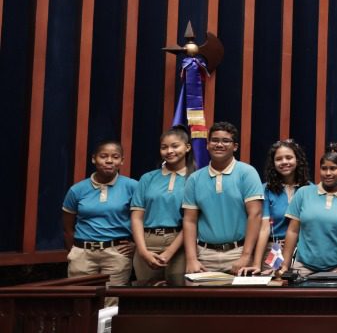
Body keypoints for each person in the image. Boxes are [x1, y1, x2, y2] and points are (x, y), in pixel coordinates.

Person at [181, 122, 264, 275]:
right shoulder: (194, 179)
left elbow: (255, 215)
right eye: (214, 140)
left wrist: (246, 256)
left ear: (235, 147)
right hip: (204, 256)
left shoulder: (247, 173)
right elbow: (189, 220)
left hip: (238, 253)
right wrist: (191, 259)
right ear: (207, 145)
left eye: (226, 141)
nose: (219, 144)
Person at [62, 140, 137, 286]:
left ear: (122, 161)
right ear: (93, 158)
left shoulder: (132, 186)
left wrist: (135, 244)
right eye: (103, 156)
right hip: (82, 253)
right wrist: (75, 251)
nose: (109, 161)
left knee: (111, 302)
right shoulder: (77, 190)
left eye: (115, 157)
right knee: (81, 300)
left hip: (116, 253)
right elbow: (67, 227)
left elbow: (143, 219)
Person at [281, 147, 337, 275]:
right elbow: (293, 231)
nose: (328, 173)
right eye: (324, 168)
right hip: (302, 266)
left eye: (333, 168)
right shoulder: (303, 193)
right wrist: (284, 265)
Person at [129, 128, 194, 286]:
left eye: (175, 146)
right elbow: (137, 217)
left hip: (180, 244)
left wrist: (169, 253)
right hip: (147, 242)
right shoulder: (148, 178)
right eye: (164, 147)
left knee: (177, 299)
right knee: (146, 297)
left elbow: (192, 220)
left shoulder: (195, 178)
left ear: (187, 147)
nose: (169, 151)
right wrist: (143, 251)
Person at [254, 139, 311, 272]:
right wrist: (256, 264)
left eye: (289, 157)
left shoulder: (310, 190)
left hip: (304, 250)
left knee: (301, 289)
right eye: (279, 159)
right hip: (276, 249)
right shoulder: (266, 190)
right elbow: (264, 228)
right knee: (274, 286)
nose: (284, 162)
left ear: (298, 160)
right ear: (273, 164)